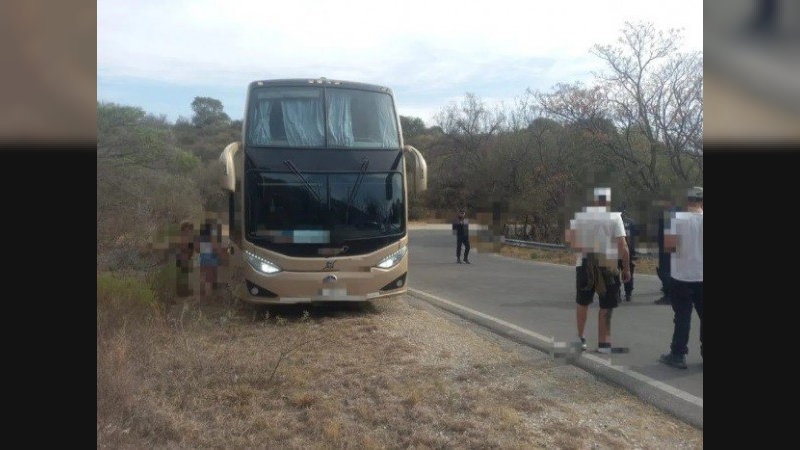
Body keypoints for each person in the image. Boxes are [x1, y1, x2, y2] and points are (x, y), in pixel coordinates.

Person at [565, 187, 631, 353]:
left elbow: (572, 244)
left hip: (585, 262)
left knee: (583, 302)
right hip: (608, 262)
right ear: (607, 201)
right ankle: (604, 344)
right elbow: (623, 246)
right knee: (606, 305)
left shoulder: (580, 217)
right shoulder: (615, 217)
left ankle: (580, 339)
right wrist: (627, 268)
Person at [659, 187, 703, 369]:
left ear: (687, 202)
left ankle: (678, 354)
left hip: (681, 276)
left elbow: (669, 247)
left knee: (682, 316)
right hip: (703, 276)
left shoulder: (676, 220)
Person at [196, 219, 223, 295]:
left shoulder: (201, 228)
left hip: (203, 254)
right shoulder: (214, 228)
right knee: (210, 278)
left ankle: (202, 297)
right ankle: (209, 298)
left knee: (203, 276)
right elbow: (214, 245)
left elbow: (197, 247)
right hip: (211, 255)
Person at [620, 212, 638, 302]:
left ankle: (616, 293)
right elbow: (637, 236)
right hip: (630, 250)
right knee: (629, 271)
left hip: (617, 250)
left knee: (615, 273)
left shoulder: (615, 222)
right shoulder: (632, 222)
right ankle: (628, 294)